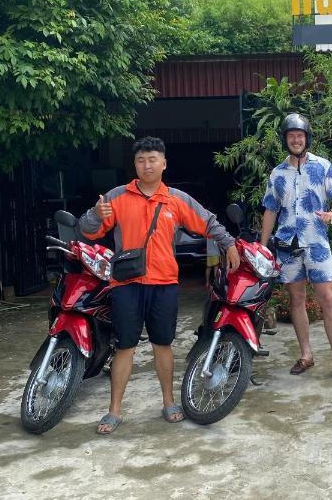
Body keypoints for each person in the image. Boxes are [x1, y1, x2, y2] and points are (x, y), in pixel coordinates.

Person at [80, 136, 240, 434]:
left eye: (152, 159)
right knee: (125, 346)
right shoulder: (116, 196)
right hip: (126, 284)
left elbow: (208, 222)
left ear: (164, 164)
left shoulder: (176, 199)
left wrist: (228, 243)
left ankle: (168, 402)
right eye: (141, 160)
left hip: (164, 283)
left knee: (162, 345)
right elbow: (88, 231)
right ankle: (114, 410)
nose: (147, 165)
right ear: (135, 165)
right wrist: (93, 215)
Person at [260, 113, 332, 383]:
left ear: (307, 138)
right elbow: (270, 211)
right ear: (285, 140)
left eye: (300, 135)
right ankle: (306, 355)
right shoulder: (277, 174)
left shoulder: (323, 166)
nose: (296, 140)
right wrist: (263, 247)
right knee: (296, 299)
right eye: (291, 136)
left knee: (328, 298)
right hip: (287, 245)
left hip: (317, 243)